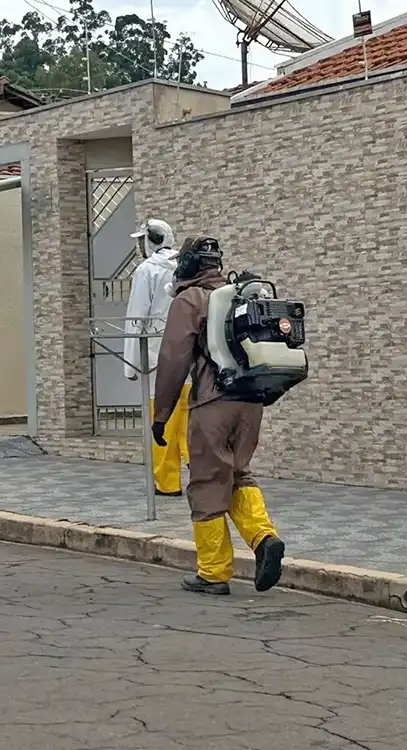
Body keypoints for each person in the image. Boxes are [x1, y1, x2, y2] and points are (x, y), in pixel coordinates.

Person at [151, 236, 286, 596]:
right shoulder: (239, 296)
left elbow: (173, 359)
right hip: (251, 401)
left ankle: (212, 571)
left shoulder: (190, 299)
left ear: (190, 265)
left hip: (213, 403)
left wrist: (161, 414)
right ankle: (263, 537)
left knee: (208, 482)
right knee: (238, 473)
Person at [124, 218, 190, 497]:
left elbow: (136, 317)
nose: (140, 246)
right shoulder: (185, 267)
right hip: (187, 357)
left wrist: (130, 364)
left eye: (142, 240)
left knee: (162, 423)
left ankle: (167, 482)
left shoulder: (147, 271)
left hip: (156, 358)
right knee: (189, 423)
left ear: (151, 239)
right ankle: (202, 475)